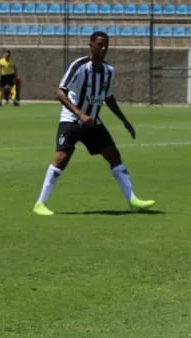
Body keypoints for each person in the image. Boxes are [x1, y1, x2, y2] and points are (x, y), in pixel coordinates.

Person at [32, 31, 156, 216]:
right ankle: (40, 204)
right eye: (100, 45)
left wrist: (124, 121)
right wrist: (80, 114)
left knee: (114, 155)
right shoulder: (80, 66)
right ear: (91, 45)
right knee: (61, 158)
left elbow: (108, 97)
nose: (103, 49)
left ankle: (133, 200)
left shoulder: (109, 71)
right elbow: (59, 92)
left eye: (106, 45)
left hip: (93, 122)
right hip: (72, 119)